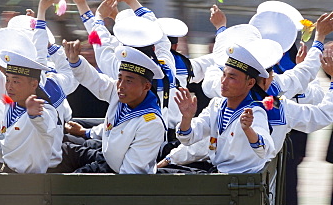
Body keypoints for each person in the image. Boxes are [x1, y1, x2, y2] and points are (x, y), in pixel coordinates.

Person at [64, 41, 167, 174]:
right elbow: (95, 81)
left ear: (146, 86)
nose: (121, 85)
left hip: (116, 174)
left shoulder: (151, 123)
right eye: (120, 78)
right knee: (62, 150)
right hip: (107, 157)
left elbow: (130, 173)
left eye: (129, 80)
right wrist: (75, 61)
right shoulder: (122, 94)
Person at [174, 43, 276, 174]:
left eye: (232, 77)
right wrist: (186, 118)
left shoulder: (254, 112)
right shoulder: (216, 105)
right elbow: (188, 138)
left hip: (238, 179)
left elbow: (265, 149)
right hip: (218, 174)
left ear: (250, 83)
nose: (223, 81)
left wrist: (248, 129)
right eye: (223, 75)